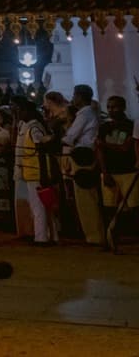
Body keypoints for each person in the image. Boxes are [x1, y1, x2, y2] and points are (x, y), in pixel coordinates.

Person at [64, 83, 105, 244]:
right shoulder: (88, 112)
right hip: (84, 154)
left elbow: (71, 136)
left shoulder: (84, 113)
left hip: (83, 156)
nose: (73, 99)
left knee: (85, 198)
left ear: (80, 97)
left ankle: (94, 235)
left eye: (75, 95)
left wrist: (56, 142)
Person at [15, 107, 58, 243]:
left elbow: (40, 149)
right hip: (35, 172)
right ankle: (49, 235)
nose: (20, 113)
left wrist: (43, 174)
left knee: (38, 206)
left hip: (36, 172)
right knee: (44, 206)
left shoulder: (33, 129)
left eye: (22, 111)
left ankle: (41, 237)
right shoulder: (33, 127)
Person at [100, 96, 135, 237]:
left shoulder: (131, 126)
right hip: (110, 171)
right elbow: (100, 151)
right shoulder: (104, 127)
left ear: (123, 107)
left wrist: (105, 145)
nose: (111, 110)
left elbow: (126, 147)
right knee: (110, 206)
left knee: (133, 206)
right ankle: (114, 236)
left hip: (128, 170)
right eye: (108, 107)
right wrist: (104, 172)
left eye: (114, 107)